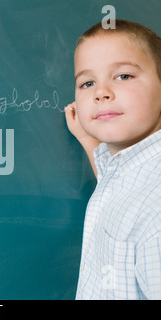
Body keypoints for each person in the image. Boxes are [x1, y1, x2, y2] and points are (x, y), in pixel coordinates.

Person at [64, 19, 161, 299]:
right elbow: (122, 193)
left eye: (124, 76)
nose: (100, 92)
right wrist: (88, 140)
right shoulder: (130, 172)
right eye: (87, 82)